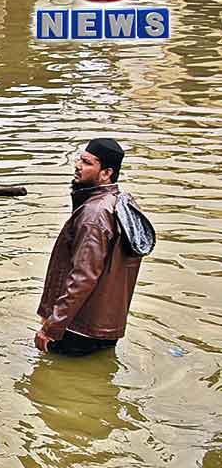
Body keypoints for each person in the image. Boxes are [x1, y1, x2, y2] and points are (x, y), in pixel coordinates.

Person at [37, 138, 144, 356]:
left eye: (87, 162)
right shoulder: (121, 202)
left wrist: (53, 326)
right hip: (106, 327)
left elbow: (83, 277)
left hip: (78, 329)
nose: (77, 165)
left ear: (106, 173)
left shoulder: (94, 215)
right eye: (80, 159)